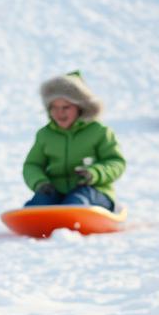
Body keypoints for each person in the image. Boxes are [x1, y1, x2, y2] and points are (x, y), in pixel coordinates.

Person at [23, 72, 126, 211]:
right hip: (56, 190)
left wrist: (95, 173)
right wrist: (40, 183)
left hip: (93, 189)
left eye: (66, 107)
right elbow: (32, 165)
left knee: (76, 202)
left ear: (80, 107)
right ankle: (37, 218)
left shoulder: (99, 132)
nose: (60, 113)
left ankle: (81, 212)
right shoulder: (45, 135)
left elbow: (115, 162)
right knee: (39, 204)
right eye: (54, 107)